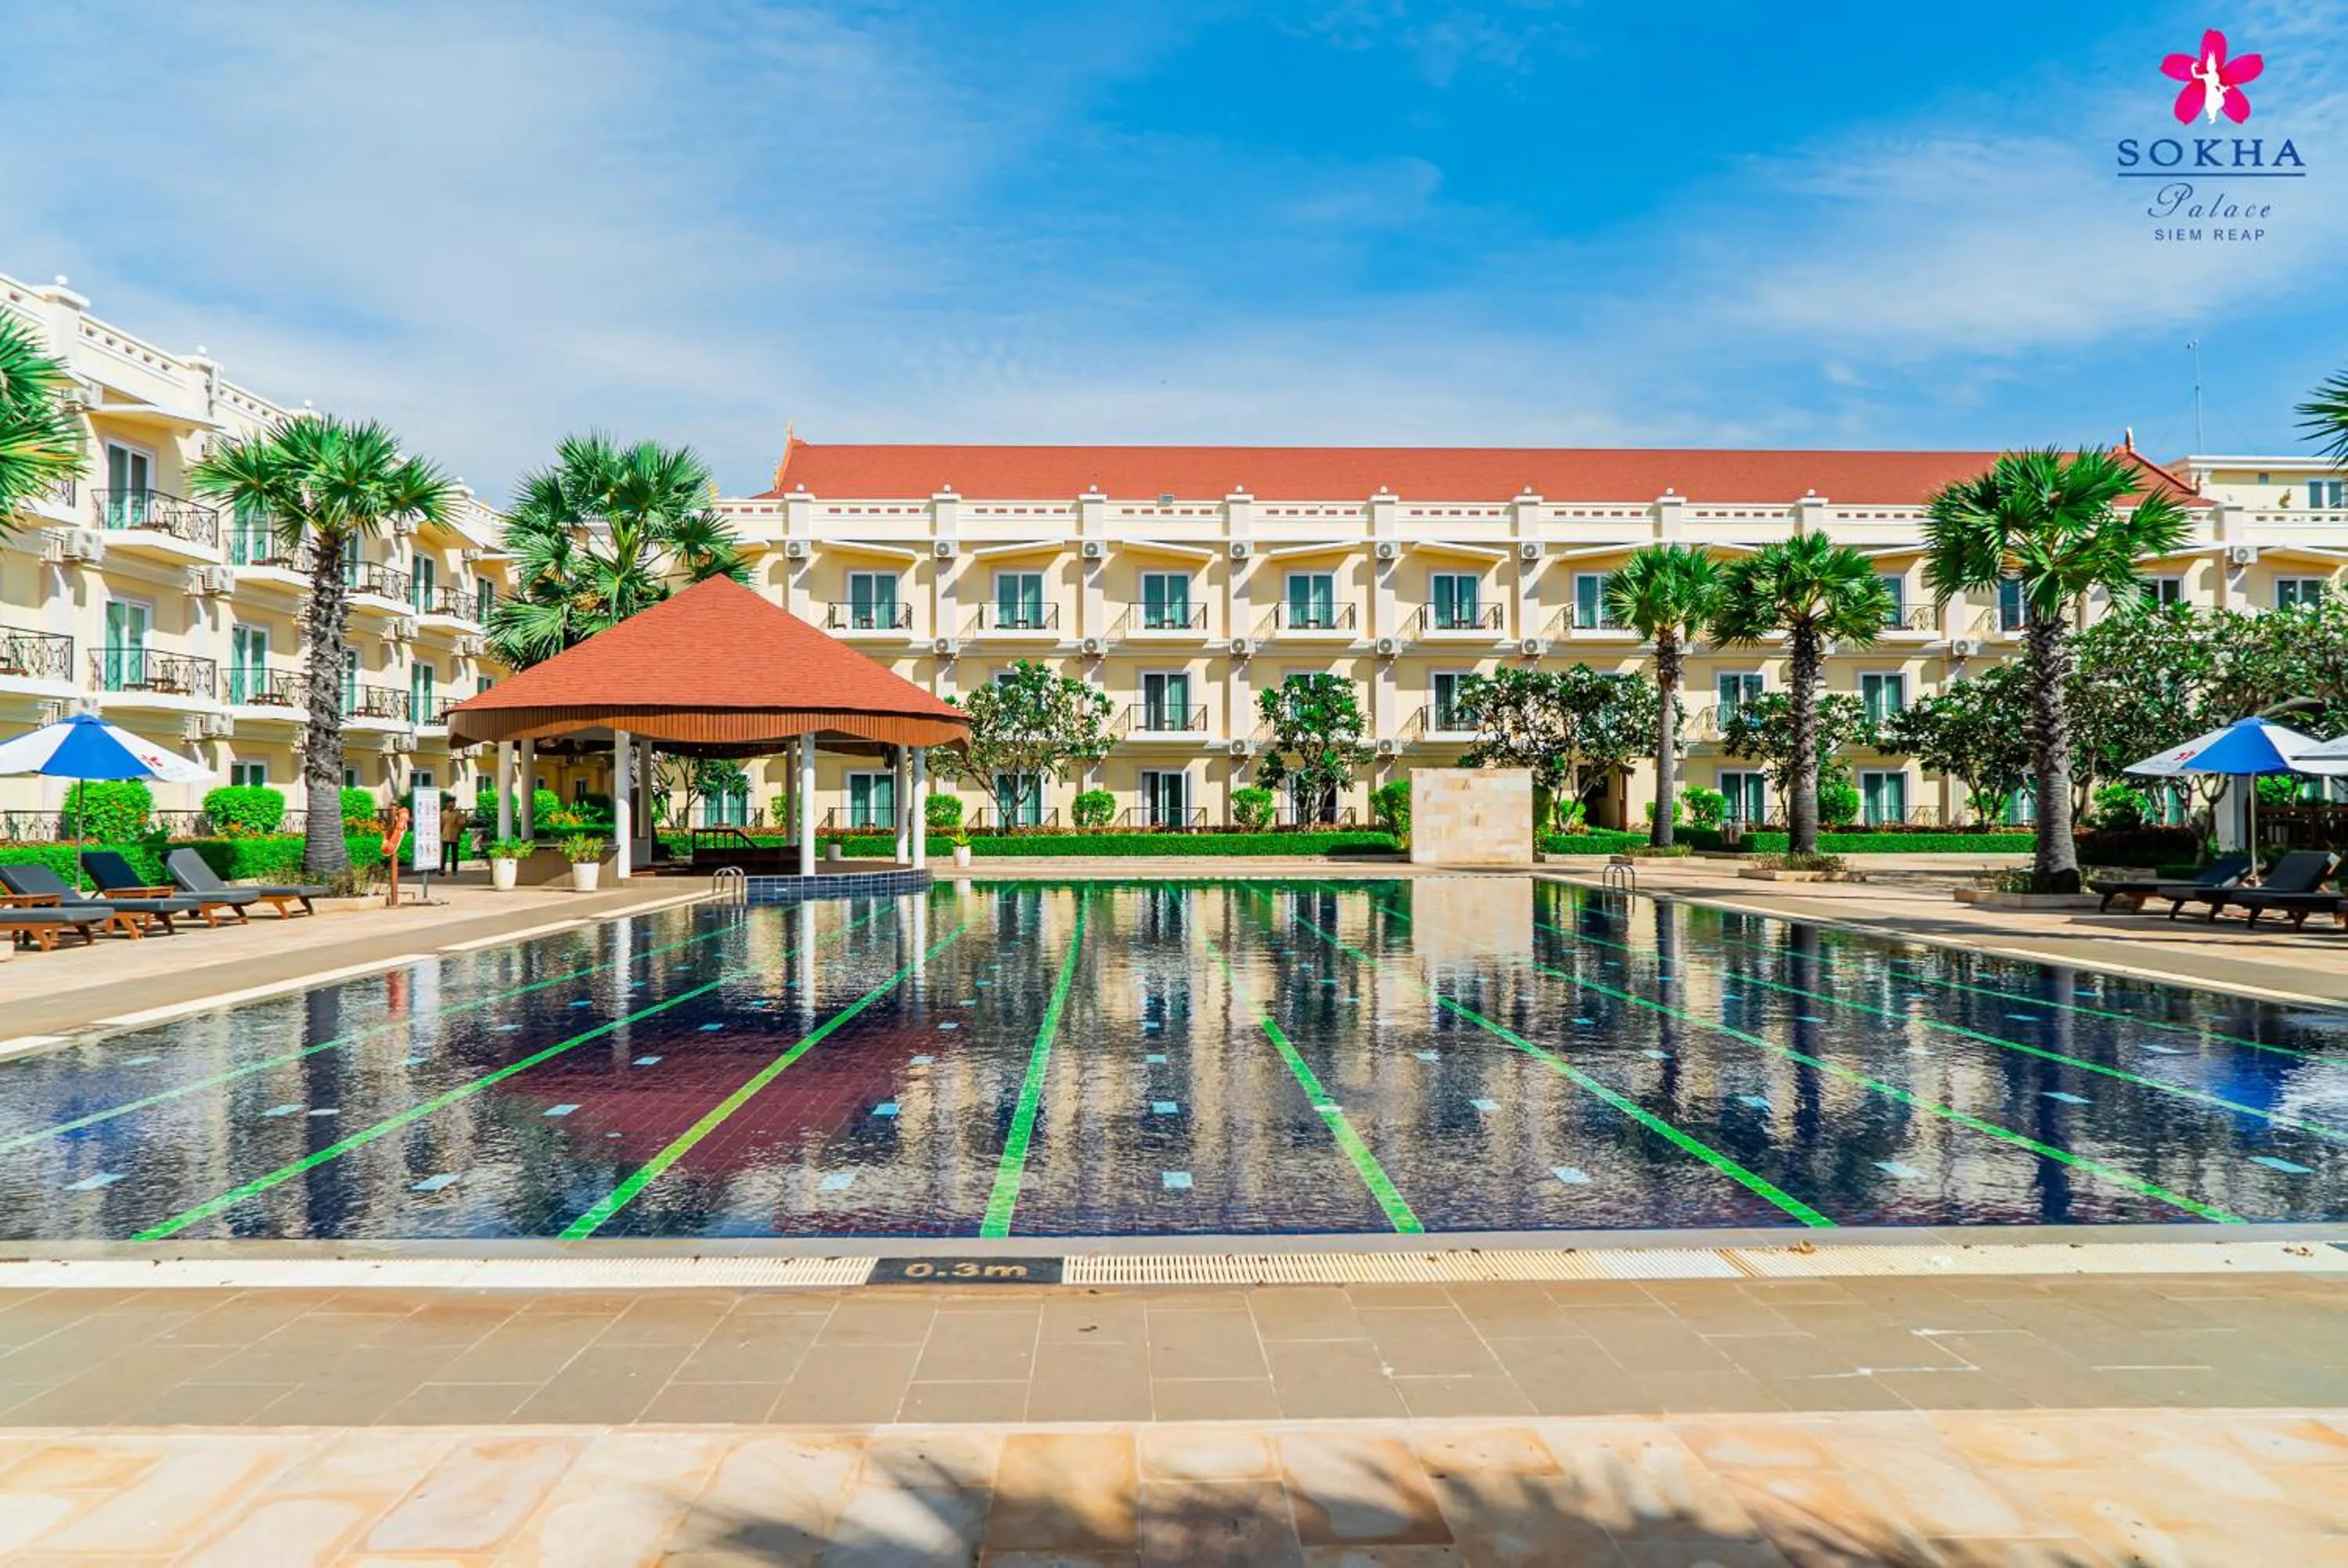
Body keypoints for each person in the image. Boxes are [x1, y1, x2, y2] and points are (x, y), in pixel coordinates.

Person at [441, 793, 466, 875]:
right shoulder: (443, 814)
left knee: (455, 855)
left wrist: (459, 830)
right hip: (445, 836)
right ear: (447, 804)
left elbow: (462, 825)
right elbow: (440, 825)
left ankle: (454, 870)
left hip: (455, 836)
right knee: (444, 854)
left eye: (453, 802)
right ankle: (442, 870)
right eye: (450, 802)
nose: (452, 804)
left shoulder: (458, 814)